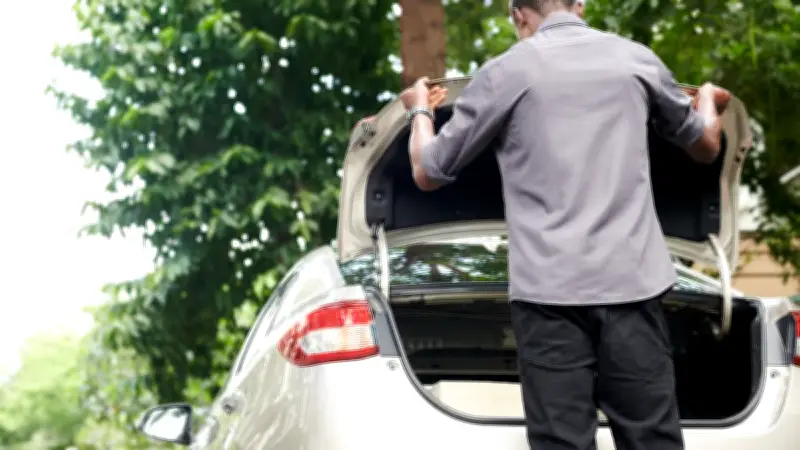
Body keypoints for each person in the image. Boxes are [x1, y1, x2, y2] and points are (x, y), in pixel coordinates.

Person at [399, 1, 731, 449]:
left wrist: (419, 110)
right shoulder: (635, 59)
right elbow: (707, 145)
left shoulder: (504, 73)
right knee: (653, 439)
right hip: (632, 288)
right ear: (580, 5)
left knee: (562, 443)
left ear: (518, 15)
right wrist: (707, 100)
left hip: (547, 299)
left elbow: (428, 170)